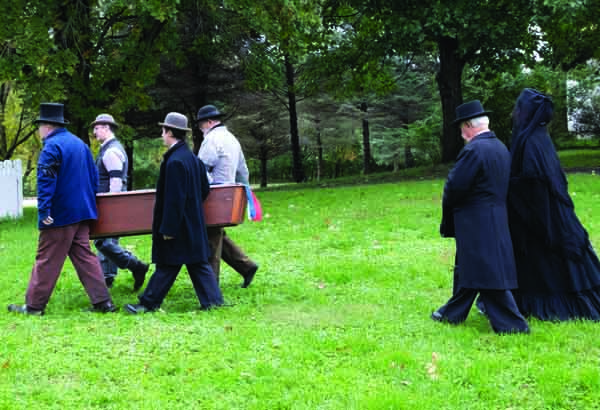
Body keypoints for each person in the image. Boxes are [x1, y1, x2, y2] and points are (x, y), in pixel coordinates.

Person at [8, 103, 116, 315]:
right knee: (85, 257)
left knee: (47, 258)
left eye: (40, 125)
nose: (39, 130)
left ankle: (34, 306)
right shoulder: (81, 145)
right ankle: (103, 303)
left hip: (60, 215)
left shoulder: (51, 147)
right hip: (83, 212)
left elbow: (45, 183)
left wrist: (44, 213)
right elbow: (94, 179)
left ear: (47, 126)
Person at [432, 100, 530, 334]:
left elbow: (455, 187)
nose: (461, 133)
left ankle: (512, 325)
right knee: (469, 266)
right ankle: (452, 314)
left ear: (468, 125)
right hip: (495, 214)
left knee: (486, 270)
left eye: (461, 127)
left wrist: (450, 210)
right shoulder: (499, 147)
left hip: (476, 218)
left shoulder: (474, 150)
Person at [507, 88, 600, 321]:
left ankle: (558, 302)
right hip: (544, 209)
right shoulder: (539, 138)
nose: (515, 114)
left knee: (550, 252)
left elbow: (534, 181)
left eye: (519, 109)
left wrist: (513, 192)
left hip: (540, 211)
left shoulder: (531, 141)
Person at [124, 112, 224, 314]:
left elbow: (173, 199)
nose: (162, 135)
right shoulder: (192, 159)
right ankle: (213, 302)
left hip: (178, 225)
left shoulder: (175, 161)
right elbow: (204, 189)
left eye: (163, 131)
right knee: (197, 262)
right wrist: (192, 207)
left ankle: (148, 303)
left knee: (168, 264)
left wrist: (169, 228)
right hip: (192, 222)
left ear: (169, 132)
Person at [196, 104, 258, 288]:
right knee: (216, 234)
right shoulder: (232, 139)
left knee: (210, 241)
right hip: (229, 195)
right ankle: (246, 266)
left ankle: (210, 287)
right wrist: (242, 193)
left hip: (213, 195)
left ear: (208, 122)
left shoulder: (211, 140)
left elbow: (201, 169)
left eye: (201, 125)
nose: (200, 129)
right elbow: (243, 171)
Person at [90, 113, 149, 290]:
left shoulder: (111, 151)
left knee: (104, 242)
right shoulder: (108, 149)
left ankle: (136, 266)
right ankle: (107, 276)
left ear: (107, 128)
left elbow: (116, 183)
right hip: (111, 205)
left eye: (97, 127)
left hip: (111, 205)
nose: (94, 131)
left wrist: (110, 207)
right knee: (106, 242)